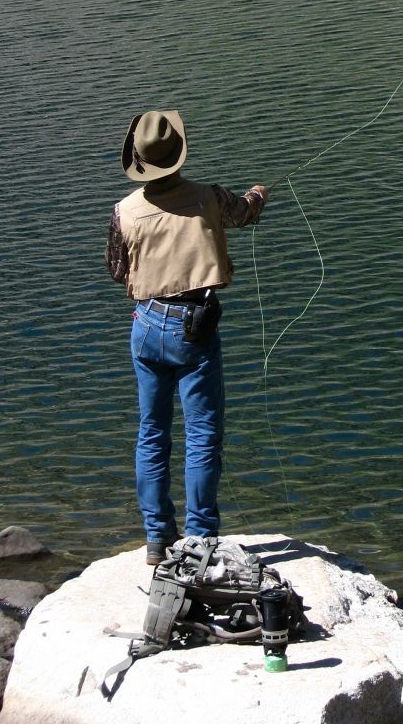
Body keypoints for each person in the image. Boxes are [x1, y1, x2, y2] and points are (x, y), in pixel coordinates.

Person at [106, 109, 267, 565]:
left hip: (145, 325)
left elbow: (117, 271)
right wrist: (259, 193)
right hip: (193, 329)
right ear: (178, 156)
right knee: (202, 436)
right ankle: (199, 540)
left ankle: (157, 540)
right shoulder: (210, 197)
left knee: (151, 433)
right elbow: (244, 212)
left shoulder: (123, 212)